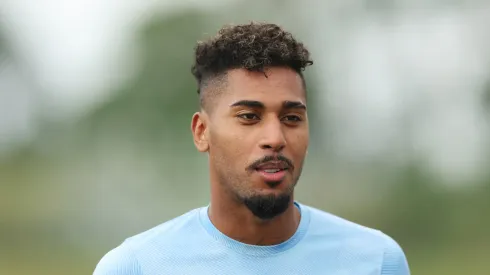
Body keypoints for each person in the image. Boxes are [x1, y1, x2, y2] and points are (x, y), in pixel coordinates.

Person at [93, 22, 410, 275]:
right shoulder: (134, 267)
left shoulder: (376, 261)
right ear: (202, 132)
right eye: (249, 117)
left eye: (291, 117)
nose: (275, 137)